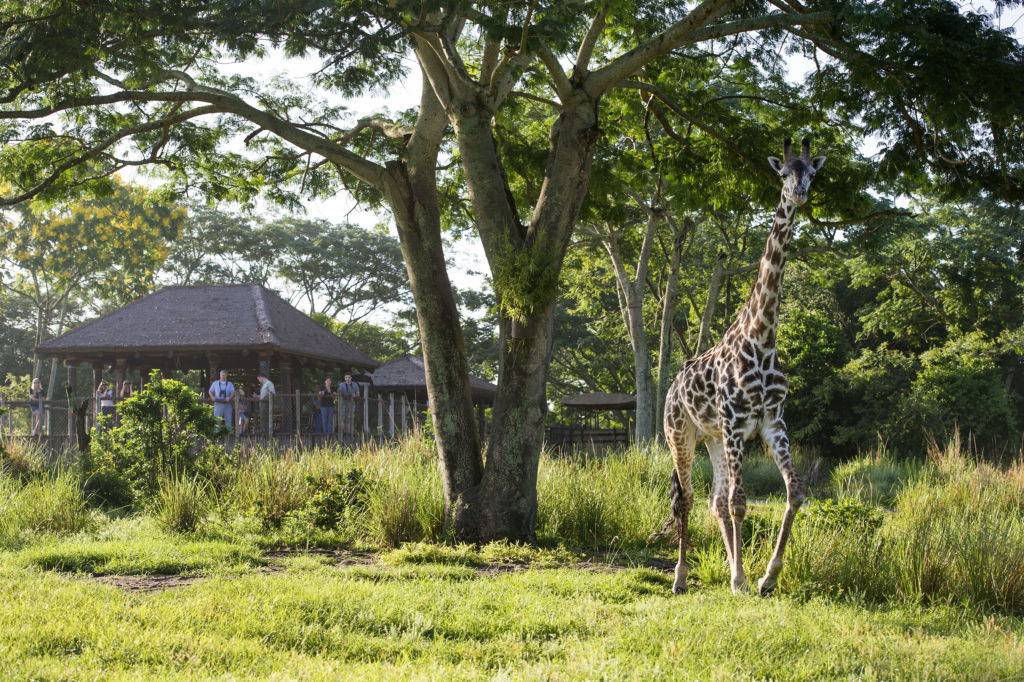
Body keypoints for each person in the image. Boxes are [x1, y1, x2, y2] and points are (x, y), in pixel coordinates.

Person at [338, 372, 360, 437]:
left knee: (349, 417)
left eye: (349, 377)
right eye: (346, 377)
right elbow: (339, 393)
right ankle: (343, 432)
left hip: (351, 402)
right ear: (344, 378)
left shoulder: (355, 384)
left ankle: (349, 432)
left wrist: (354, 395)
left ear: (351, 378)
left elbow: (358, 394)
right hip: (343, 402)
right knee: (343, 417)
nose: (348, 379)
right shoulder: (341, 385)